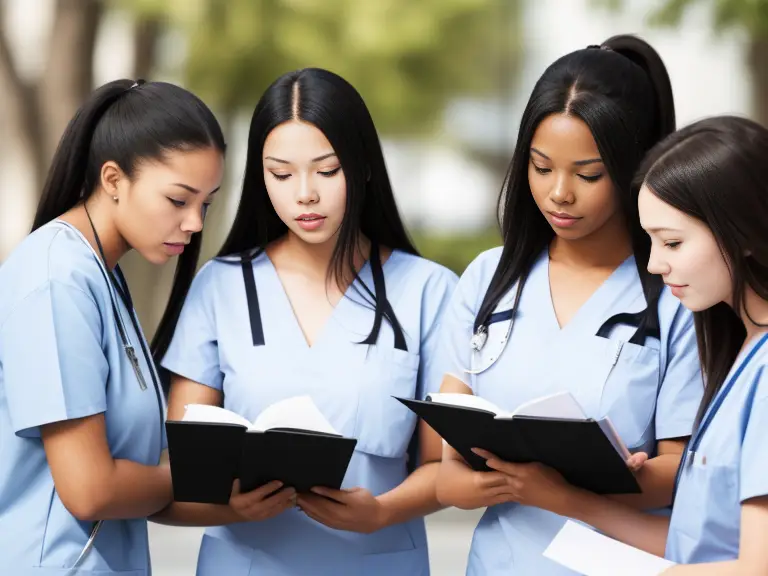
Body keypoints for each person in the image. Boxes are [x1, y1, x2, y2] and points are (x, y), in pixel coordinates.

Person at [153, 67, 458, 575]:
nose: (305, 194)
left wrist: (383, 512)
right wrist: (229, 507)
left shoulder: (430, 291)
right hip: (246, 561)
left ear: (361, 167)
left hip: (377, 561)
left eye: (326, 169)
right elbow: (184, 465)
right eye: (281, 173)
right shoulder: (222, 285)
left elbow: (442, 467)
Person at [434, 35, 704, 575]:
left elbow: (682, 473)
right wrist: (512, 482)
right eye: (540, 167)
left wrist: (563, 489)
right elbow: (447, 479)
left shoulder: (677, 292)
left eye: (588, 175)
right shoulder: (488, 278)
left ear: (633, 169)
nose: (560, 193)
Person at [486, 115, 768, 574]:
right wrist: (573, 501)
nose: (654, 264)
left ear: (745, 233)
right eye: (650, 241)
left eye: (673, 243)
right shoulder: (740, 356)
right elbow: (692, 544)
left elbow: (756, 567)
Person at [0, 78, 226, 575]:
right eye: (178, 200)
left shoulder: (102, 274)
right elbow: (90, 489)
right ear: (113, 179)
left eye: (205, 204)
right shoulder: (55, 279)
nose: (195, 223)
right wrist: (209, 477)